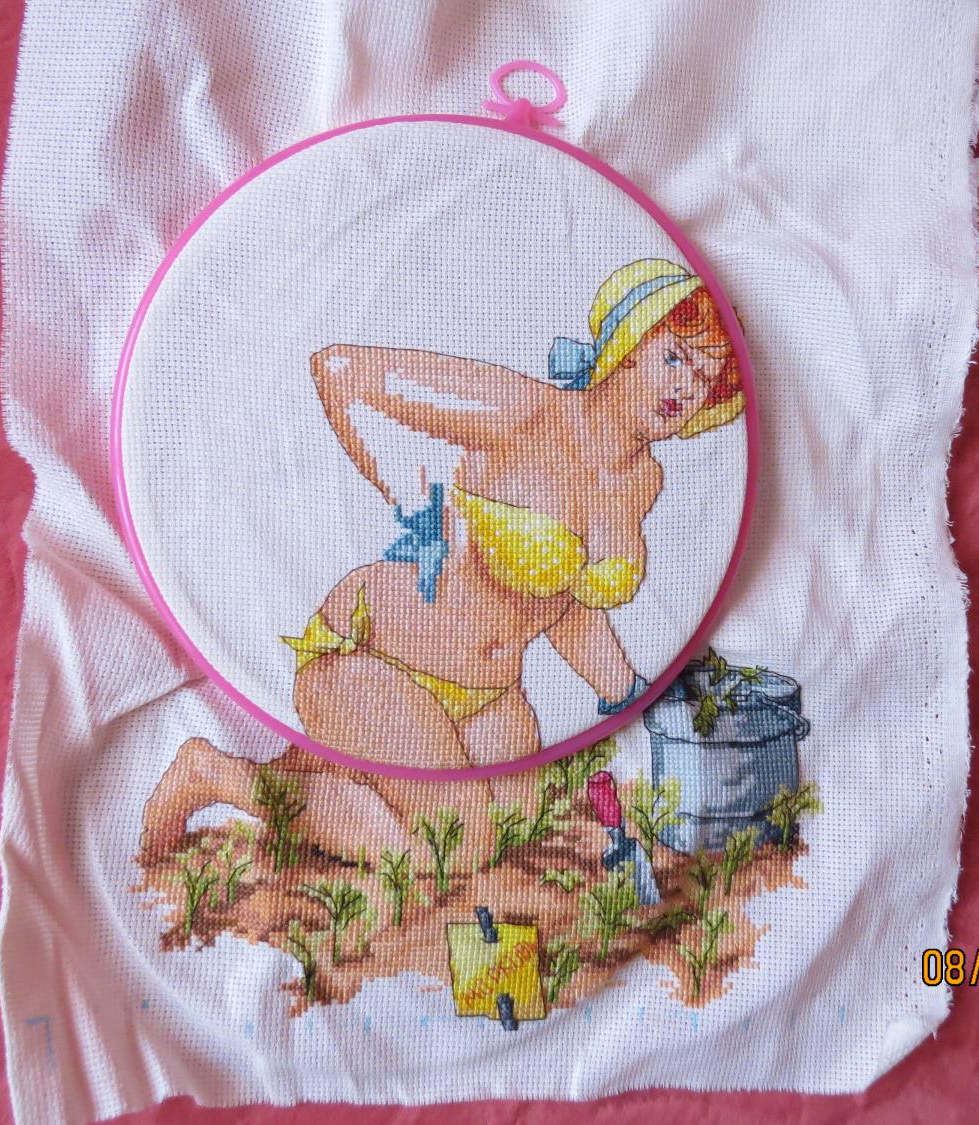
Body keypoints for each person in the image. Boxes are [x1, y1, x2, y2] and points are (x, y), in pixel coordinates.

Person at [141, 259, 745, 861]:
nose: (685, 389)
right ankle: (216, 775)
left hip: (490, 694)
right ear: (629, 347)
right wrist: (409, 492)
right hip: (381, 656)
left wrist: (631, 693)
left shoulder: (642, 481)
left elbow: (567, 604)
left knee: (514, 829)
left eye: (704, 379)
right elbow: (341, 371)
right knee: (451, 847)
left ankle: (327, 772)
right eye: (674, 358)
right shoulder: (527, 413)